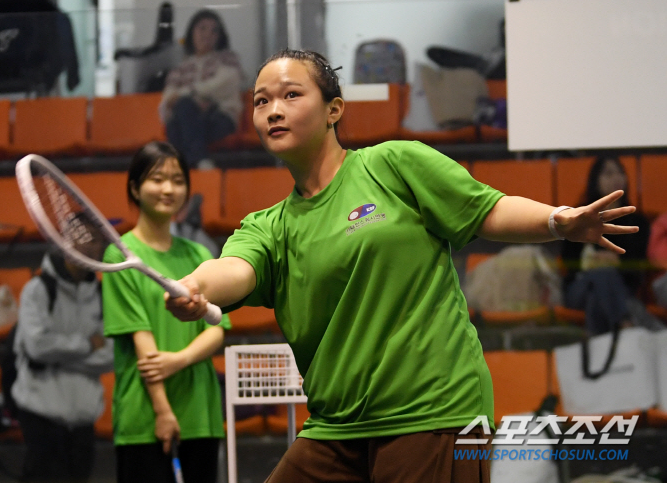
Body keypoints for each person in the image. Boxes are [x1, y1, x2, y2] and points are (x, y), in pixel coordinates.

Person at [165, 49, 639, 482]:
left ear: (334, 110)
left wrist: (558, 221)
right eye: (261, 101)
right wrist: (195, 285)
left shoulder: (393, 165)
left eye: (291, 95)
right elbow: (234, 271)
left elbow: (486, 208)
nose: (273, 110)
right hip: (338, 425)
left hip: (432, 412)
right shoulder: (269, 226)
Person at [101, 141, 231, 483]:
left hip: (199, 412)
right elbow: (143, 343)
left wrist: (180, 360)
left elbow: (217, 328)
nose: (168, 188)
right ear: (135, 187)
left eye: (177, 179)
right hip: (146, 415)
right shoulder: (119, 257)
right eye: (157, 179)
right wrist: (162, 411)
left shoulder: (200, 254)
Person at [11, 248, 113, 483]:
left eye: (93, 243)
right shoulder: (37, 289)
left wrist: (57, 359)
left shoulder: (101, 293)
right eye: (78, 241)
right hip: (41, 417)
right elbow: (37, 347)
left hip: (83, 422)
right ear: (64, 244)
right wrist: (87, 345)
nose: (86, 248)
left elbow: (111, 355)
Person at [560, 157, 651, 335]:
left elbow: (637, 262)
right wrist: (596, 261)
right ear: (596, 181)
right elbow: (569, 261)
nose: (616, 177)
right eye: (609, 173)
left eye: (620, 172)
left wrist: (614, 261)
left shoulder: (637, 221)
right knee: (602, 273)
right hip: (580, 287)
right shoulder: (579, 217)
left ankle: (602, 352)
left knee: (597, 296)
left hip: (620, 289)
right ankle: (625, 325)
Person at [160, 9, 243, 169]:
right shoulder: (181, 67)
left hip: (220, 117)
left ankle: (181, 169)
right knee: (178, 118)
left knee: (182, 117)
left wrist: (192, 95)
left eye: (214, 30)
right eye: (202, 28)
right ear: (191, 33)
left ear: (219, 36)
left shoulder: (227, 59)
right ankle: (200, 162)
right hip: (190, 120)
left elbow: (226, 83)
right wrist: (193, 103)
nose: (208, 34)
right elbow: (168, 100)